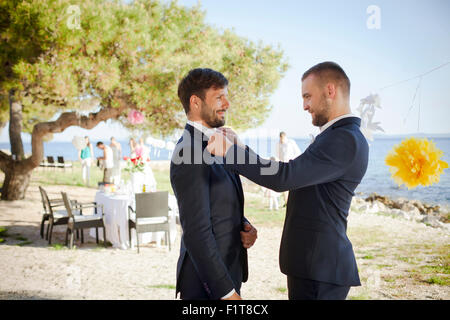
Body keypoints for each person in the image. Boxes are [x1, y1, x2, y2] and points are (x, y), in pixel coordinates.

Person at [207, 62, 369, 300]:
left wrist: (230, 152)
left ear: (330, 91)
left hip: (320, 270)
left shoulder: (344, 139)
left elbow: (285, 178)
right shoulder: (339, 136)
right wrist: (241, 148)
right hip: (313, 266)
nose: (304, 106)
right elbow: (292, 172)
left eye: (307, 96)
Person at [170, 68, 258, 300]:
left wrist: (243, 225)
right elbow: (196, 232)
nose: (227, 104)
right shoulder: (188, 151)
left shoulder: (217, 143)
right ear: (195, 102)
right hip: (206, 285)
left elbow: (214, 200)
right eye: (219, 97)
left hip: (228, 270)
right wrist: (227, 293)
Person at [276, 132, 301, 206]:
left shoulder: (291, 142)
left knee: (292, 184)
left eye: (283, 138)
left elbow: (297, 152)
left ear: (285, 137)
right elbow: (277, 154)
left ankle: (291, 201)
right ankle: (286, 201)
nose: (282, 139)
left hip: (292, 165)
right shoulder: (278, 144)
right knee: (284, 184)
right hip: (283, 166)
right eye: (281, 138)